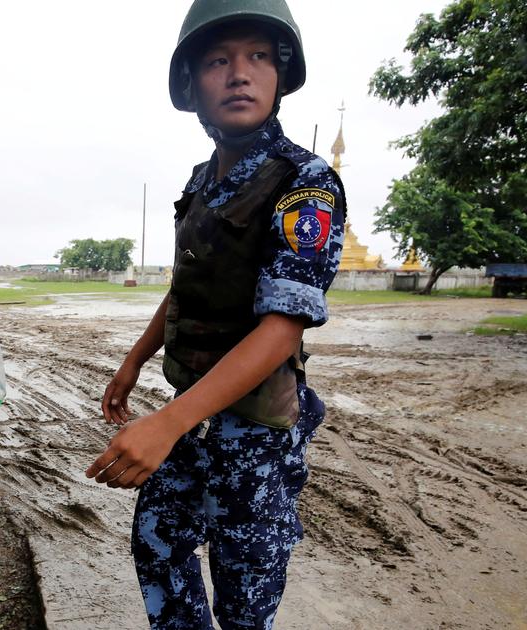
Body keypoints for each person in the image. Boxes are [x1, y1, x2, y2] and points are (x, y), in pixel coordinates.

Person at [84, 1, 346, 627]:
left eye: (258, 56)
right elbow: (187, 286)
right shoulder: (203, 181)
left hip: (253, 433)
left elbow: (282, 329)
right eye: (218, 60)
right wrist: (132, 361)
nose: (239, 73)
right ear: (192, 85)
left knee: (244, 598)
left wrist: (164, 424)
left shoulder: (305, 184)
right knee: (156, 544)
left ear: (280, 77)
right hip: (192, 421)